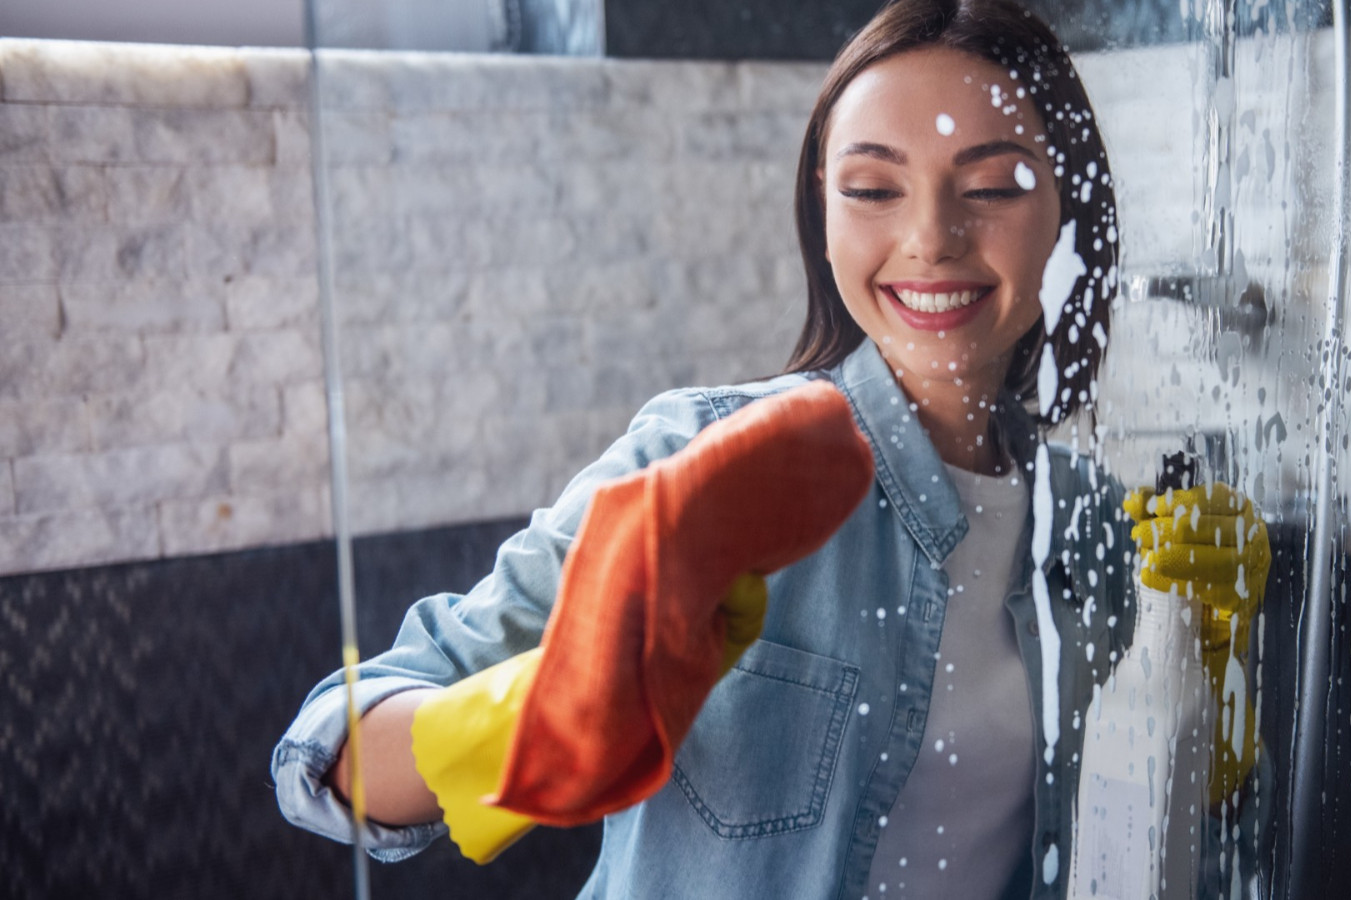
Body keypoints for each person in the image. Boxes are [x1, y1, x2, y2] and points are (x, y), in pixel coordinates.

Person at [273, 0, 1267, 896]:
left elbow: (1151, 836)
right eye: (873, 189)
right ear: (822, 218)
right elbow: (333, 752)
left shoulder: (1092, 522)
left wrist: (1209, 665)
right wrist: (537, 717)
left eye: (994, 186)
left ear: (1068, 219)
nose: (931, 237)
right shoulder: (704, 458)